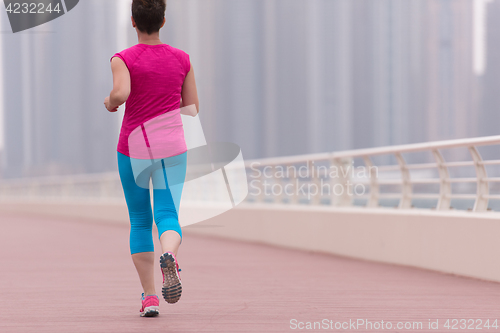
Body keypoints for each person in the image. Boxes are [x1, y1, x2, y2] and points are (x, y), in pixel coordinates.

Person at [103, 0, 199, 317]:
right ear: (163, 20)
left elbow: (121, 93)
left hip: (133, 148)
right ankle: (168, 253)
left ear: (132, 21)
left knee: (141, 221)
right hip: (172, 147)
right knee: (168, 214)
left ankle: (149, 298)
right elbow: (193, 108)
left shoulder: (123, 59)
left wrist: (109, 102)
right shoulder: (182, 59)